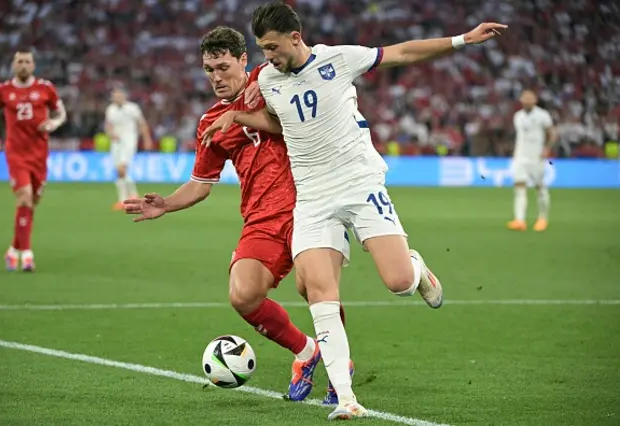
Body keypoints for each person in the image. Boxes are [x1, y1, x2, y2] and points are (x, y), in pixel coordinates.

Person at [201, 1, 507, 419]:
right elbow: (282, 124)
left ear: (295, 38)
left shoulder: (337, 59)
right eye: (261, 49)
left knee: (398, 281)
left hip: (359, 184)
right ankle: (346, 397)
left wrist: (461, 40)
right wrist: (240, 115)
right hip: (312, 198)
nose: (266, 57)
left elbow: (401, 52)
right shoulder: (269, 80)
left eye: (271, 47)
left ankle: (416, 270)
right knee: (320, 293)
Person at [122, 26, 349, 404]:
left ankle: (339, 371)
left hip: (314, 201)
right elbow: (200, 184)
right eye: (209, 69)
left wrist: (246, 109)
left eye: (223, 67)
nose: (216, 77)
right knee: (243, 294)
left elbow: (301, 100)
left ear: (245, 60)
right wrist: (166, 203)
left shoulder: (272, 78)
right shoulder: (210, 121)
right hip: (263, 216)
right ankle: (307, 352)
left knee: (316, 289)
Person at [0, 49, 67, 272]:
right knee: (24, 197)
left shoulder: (45, 88)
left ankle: (13, 249)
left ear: (33, 65)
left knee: (30, 204)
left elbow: (61, 113)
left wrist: (53, 124)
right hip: (16, 153)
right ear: (13, 65)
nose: (23, 65)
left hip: (39, 154)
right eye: (19, 61)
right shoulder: (3, 90)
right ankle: (27, 255)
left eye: (27, 62)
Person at [507, 90, 557, 232]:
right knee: (519, 187)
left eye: (530, 98)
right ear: (521, 100)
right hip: (520, 157)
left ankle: (542, 218)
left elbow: (552, 133)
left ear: (535, 100)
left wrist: (547, 148)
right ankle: (520, 220)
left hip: (536, 158)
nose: (527, 101)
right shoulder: (518, 116)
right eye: (525, 98)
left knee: (540, 187)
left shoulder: (542, 115)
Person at [104, 86, 153, 210]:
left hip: (129, 140)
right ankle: (131, 195)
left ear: (124, 96)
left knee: (122, 169)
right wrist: (110, 134)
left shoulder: (132, 108)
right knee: (119, 171)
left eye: (119, 95)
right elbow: (108, 125)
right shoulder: (110, 109)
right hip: (116, 143)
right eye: (115, 95)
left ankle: (123, 200)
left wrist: (147, 139)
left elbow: (142, 124)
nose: (117, 97)